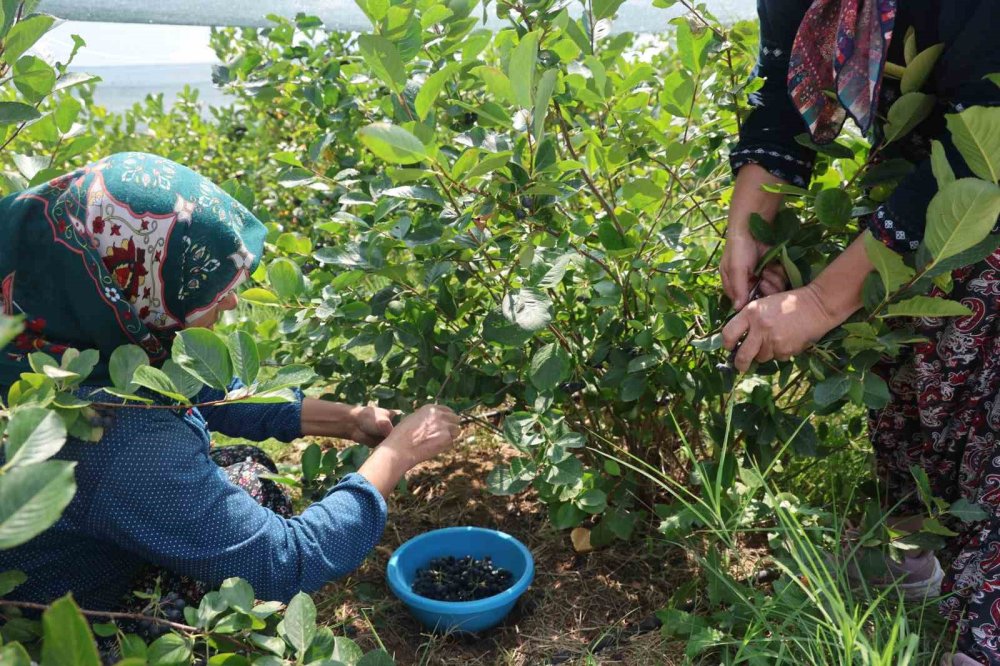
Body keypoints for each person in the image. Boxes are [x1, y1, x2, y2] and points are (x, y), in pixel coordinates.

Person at [0, 152, 460, 615]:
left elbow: (204, 391)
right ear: (136, 284)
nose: (232, 300)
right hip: (70, 621)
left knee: (250, 471)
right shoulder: (113, 435)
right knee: (248, 555)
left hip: (82, 537)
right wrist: (398, 454)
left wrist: (349, 421)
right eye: (204, 285)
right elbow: (286, 560)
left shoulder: (50, 338)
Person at [719, 1, 998, 663]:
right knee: (899, 322)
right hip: (923, 151)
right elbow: (784, 86)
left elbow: (982, 147)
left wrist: (818, 301)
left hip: (988, 146)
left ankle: (988, 621)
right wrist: (747, 230)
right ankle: (911, 547)